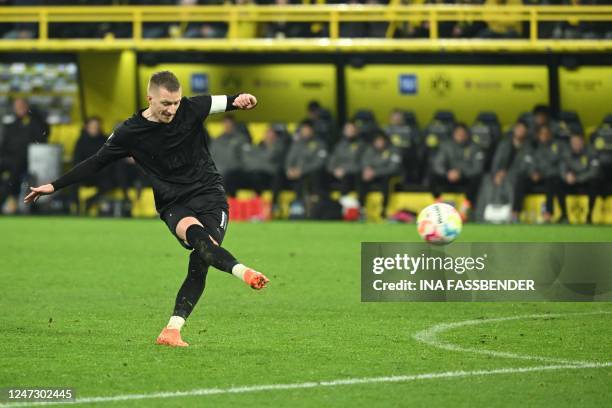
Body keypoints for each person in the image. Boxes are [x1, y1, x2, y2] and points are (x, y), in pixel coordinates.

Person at [24, 71, 269, 348]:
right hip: (173, 202)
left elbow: (231, 100)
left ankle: (172, 330)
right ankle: (245, 272)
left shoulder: (192, 107)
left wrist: (245, 99)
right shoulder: (130, 132)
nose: (172, 109)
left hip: (210, 195)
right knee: (201, 241)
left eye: (175, 103)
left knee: (201, 260)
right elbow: (97, 161)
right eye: (166, 103)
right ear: (149, 98)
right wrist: (54, 186)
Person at [0, 98, 49, 213]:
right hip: (8, 158)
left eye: (22, 105)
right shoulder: (11, 125)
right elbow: (4, 144)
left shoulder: (35, 122)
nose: (19, 108)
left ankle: (7, 199)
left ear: (27, 107)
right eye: (17, 106)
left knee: (14, 173)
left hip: (26, 160)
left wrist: (34, 114)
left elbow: (44, 135)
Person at [430, 123, 484, 219]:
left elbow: (477, 168)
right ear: (453, 134)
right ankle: (438, 208)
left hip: (465, 178)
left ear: (467, 135)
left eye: (463, 133)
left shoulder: (475, 147)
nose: (460, 136)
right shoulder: (446, 146)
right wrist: (447, 173)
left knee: (477, 180)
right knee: (432, 175)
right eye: (458, 133)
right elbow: (438, 163)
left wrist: (461, 173)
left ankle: (465, 211)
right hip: (448, 176)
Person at [513, 125, 562, 223]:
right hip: (534, 177)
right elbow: (528, 162)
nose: (545, 136)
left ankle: (548, 214)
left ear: (550, 135)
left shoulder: (554, 147)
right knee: (520, 180)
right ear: (538, 135)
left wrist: (541, 174)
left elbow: (554, 165)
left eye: (547, 134)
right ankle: (515, 213)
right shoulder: (532, 146)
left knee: (552, 182)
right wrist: (533, 172)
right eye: (542, 134)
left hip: (547, 177)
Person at [558, 133, 600, 224]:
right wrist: (566, 176)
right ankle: (564, 215)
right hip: (570, 181)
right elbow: (561, 168)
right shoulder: (566, 153)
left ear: (583, 142)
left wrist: (577, 178)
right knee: (558, 182)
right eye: (573, 142)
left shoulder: (591, 152)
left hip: (585, 181)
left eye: (578, 142)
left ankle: (589, 216)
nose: (576, 144)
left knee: (594, 183)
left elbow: (594, 172)